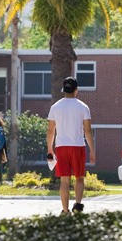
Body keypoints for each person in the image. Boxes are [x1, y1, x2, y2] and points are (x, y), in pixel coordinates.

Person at [47, 77, 96, 214]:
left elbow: (51, 130)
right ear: (76, 90)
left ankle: (65, 210)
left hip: (61, 147)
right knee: (79, 177)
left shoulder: (55, 107)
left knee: (64, 181)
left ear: (64, 90)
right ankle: (78, 205)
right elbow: (87, 131)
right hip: (78, 146)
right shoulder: (83, 107)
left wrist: (50, 149)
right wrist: (92, 150)